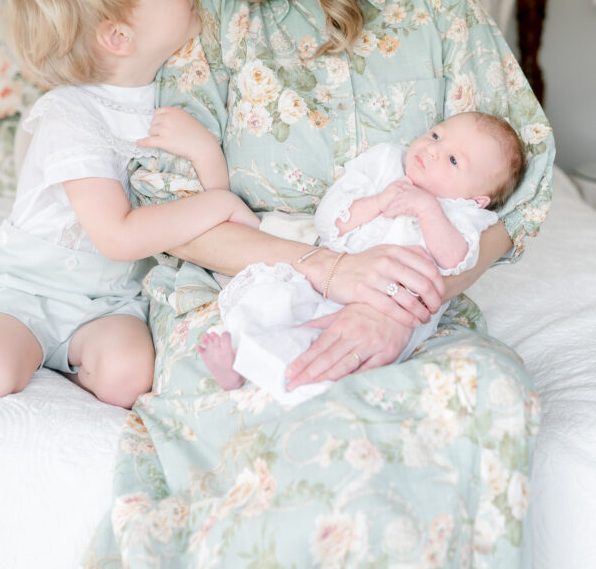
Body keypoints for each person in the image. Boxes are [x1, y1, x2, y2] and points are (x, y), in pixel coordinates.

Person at [85, 0, 554, 566]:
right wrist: (325, 270)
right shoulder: (206, 18)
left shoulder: (436, 5)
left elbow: (522, 196)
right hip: (244, 296)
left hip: (407, 302)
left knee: (481, 391)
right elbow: (165, 209)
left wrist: (398, 304)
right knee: (294, 424)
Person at [0, 0, 258, 409]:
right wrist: (220, 201)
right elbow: (119, 234)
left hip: (111, 300)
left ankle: (69, 362)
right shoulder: (71, 115)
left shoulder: (179, 90)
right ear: (119, 37)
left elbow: (208, 207)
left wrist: (206, 154)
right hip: (28, 288)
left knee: (130, 378)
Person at [198, 111, 526, 405]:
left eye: (453, 160)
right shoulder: (384, 163)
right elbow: (329, 222)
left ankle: (282, 383)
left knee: (337, 352)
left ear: (478, 199)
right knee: (272, 297)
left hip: (389, 311)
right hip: (333, 279)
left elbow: (457, 260)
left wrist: (428, 209)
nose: (433, 150)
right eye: (436, 135)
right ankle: (239, 358)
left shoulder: (464, 214)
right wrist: (380, 202)